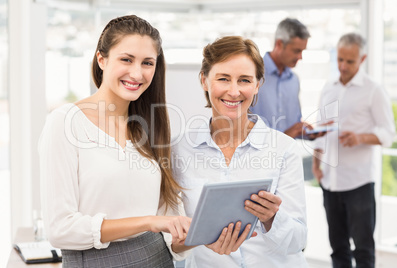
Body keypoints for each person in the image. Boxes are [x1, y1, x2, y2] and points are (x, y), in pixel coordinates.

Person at [38, 15, 192, 267]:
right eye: (126, 59)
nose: (137, 73)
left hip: (158, 259)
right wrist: (147, 222)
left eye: (147, 63)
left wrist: (204, 233)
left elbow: (169, 227)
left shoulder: (153, 125)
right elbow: (59, 229)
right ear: (102, 59)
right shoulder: (65, 123)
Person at [172, 36, 308, 267]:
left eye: (244, 80)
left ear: (257, 85)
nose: (234, 91)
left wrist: (272, 217)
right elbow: (170, 240)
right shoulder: (178, 150)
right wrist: (198, 240)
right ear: (204, 81)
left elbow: (299, 240)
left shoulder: (284, 149)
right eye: (223, 79)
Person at [312, 33, 396, 268]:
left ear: (363, 59)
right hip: (330, 182)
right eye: (340, 59)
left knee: (363, 251)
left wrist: (360, 137)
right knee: (338, 249)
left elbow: (389, 133)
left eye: (349, 61)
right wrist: (315, 164)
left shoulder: (373, 90)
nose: (343, 66)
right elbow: (320, 129)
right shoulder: (328, 87)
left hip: (359, 183)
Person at [250, 17, 316, 139]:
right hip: (261, 157)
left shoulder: (294, 80)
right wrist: (285, 136)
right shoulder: (252, 75)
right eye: (296, 51)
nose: (300, 57)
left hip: (289, 157)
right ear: (279, 44)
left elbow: (293, 126)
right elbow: (242, 130)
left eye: (302, 51)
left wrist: (310, 133)